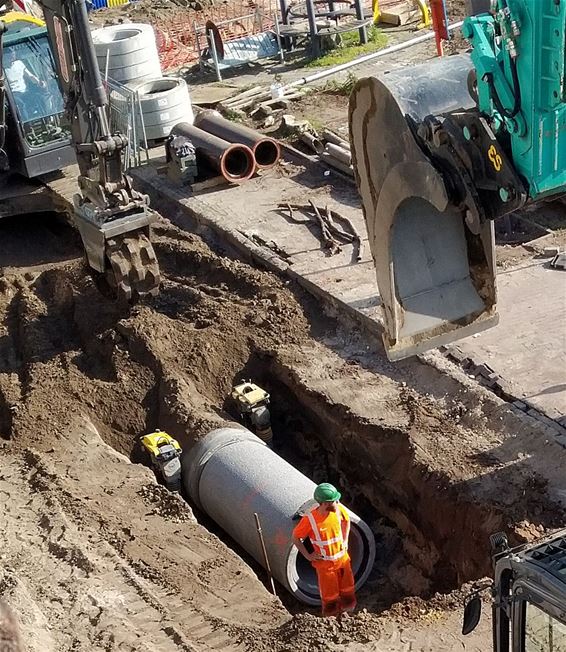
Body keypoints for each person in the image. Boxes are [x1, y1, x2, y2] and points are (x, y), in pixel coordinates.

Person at [292, 482, 356, 617]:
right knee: (330, 595)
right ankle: (330, 618)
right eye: (334, 500)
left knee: (348, 588)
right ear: (325, 503)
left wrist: (345, 540)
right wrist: (308, 556)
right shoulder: (310, 520)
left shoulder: (338, 510)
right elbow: (296, 538)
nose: (337, 502)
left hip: (342, 559)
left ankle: (349, 613)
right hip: (325, 565)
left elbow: (346, 521)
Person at [4, 48, 47, 122]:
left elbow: (30, 76)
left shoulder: (19, 63)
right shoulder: (2, 69)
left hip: (25, 91)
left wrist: (39, 82)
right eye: (10, 56)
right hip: (13, 95)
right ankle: (27, 125)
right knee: (20, 104)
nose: (12, 57)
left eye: (13, 55)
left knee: (39, 97)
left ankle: (47, 120)